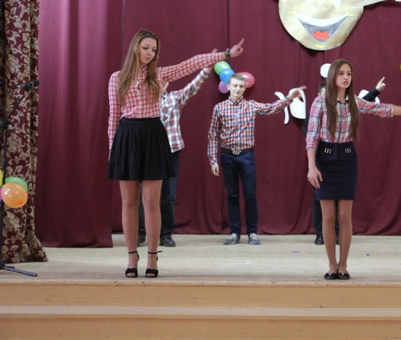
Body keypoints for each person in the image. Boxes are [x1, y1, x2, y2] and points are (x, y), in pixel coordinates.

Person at [108, 29, 244, 278]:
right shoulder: (117, 78)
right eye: (146, 47)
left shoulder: (159, 74)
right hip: (127, 137)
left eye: (154, 50)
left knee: (152, 201)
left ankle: (152, 256)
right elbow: (113, 116)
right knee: (128, 201)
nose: (150, 53)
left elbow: (190, 64)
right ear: (135, 47)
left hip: (153, 135)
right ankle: (131, 256)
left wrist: (225, 54)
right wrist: (112, 151)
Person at [306, 59, 401, 280]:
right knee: (328, 216)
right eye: (341, 73)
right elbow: (311, 136)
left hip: (347, 158)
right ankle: (331, 265)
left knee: (344, 216)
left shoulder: (355, 102)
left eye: (349, 73)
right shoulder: (320, 102)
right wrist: (311, 166)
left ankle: (343, 265)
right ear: (333, 76)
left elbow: (384, 109)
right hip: (324, 159)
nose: (345, 77)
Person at [208, 74, 306, 246]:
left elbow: (271, 108)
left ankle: (252, 232)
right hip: (228, 156)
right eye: (235, 86)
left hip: (246, 155)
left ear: (244, 88)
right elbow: (212, 135)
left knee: (250, 194)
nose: (238, 89)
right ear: (229, 87)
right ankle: (234, 232)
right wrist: (213, 160)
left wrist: (289, 98)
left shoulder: (251, 106)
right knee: (232, 195)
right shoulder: (219, 108)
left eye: (241, 86)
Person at [137, 59, 216, 248]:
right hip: (148, 154)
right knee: (144, 194)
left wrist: (205, 70)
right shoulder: (142, 101)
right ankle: (140, 233)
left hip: (171, 151)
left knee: (169, 195)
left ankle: (166, 234)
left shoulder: (175, 98)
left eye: (163, 80)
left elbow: (192, 88)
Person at [303, 78, 386, 245]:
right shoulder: (315, 113)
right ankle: (320, 233)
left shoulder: (345, 107)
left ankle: (337, 233)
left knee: (340, 202)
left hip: (341, 159)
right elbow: (311, 136)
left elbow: (359, 104)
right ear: (319, 96)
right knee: (321, 200)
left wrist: (376, 91)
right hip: (322, 161)